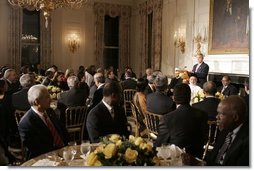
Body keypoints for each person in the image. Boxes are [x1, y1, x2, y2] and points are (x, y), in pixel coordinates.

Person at [155, 83, 207, 159]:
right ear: (190, 97)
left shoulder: (166, 118)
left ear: (174, 98)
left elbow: (160, 144)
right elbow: (203, 139)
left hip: (176, 159)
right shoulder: (203, 115)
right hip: (197, 157)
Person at [18, 85, 69, 159]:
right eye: (47, 97)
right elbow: (36, 149)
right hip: (45, 158)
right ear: (37, 102)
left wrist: (67, 147)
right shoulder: (26, 123)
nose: (51, 99)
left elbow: (62, 130)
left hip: (63, 151)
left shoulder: (50, 111)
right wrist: (57, 155)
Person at [207, 95, 248, 166]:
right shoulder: (226, 129)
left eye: (221, 114)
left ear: (235, 117)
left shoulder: (248, 141)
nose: (217, 117)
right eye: (217, 113)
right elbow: (213, 159)